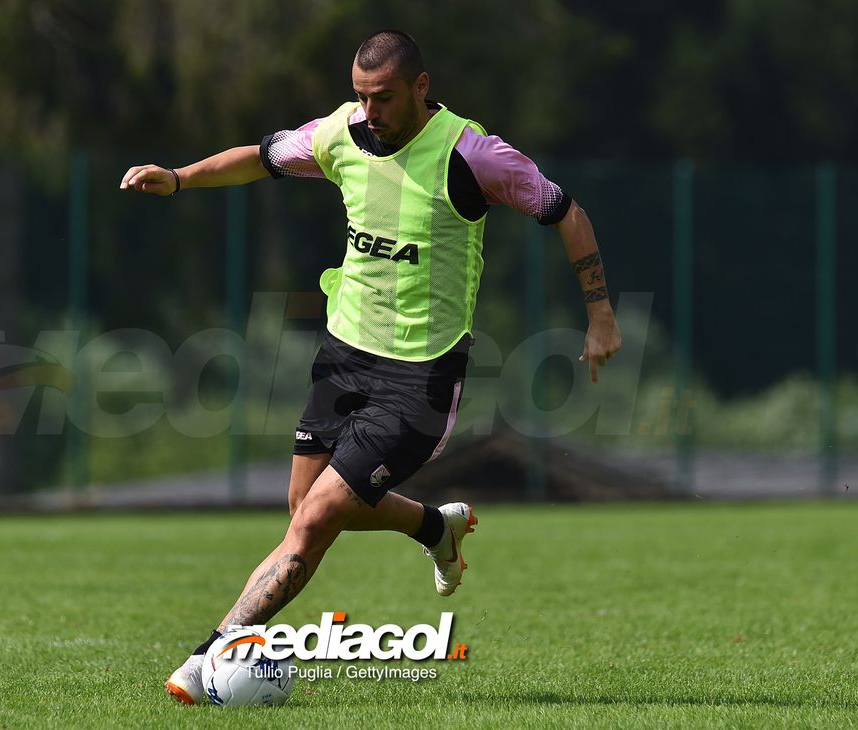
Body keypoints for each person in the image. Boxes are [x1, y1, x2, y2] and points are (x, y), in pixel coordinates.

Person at [119, 30, 622, 705]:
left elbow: (567, 212)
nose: (369, 110)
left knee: (314, 520)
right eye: (360, 96)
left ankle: (207, 657)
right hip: (343, 355)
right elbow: (260, 157)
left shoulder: (471, 155)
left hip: (418, 379)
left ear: (420, 86)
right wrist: (179, 178)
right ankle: (433, 527)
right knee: (304, 507)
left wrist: (600, 316)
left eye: (382, 97)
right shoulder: (340, 134)